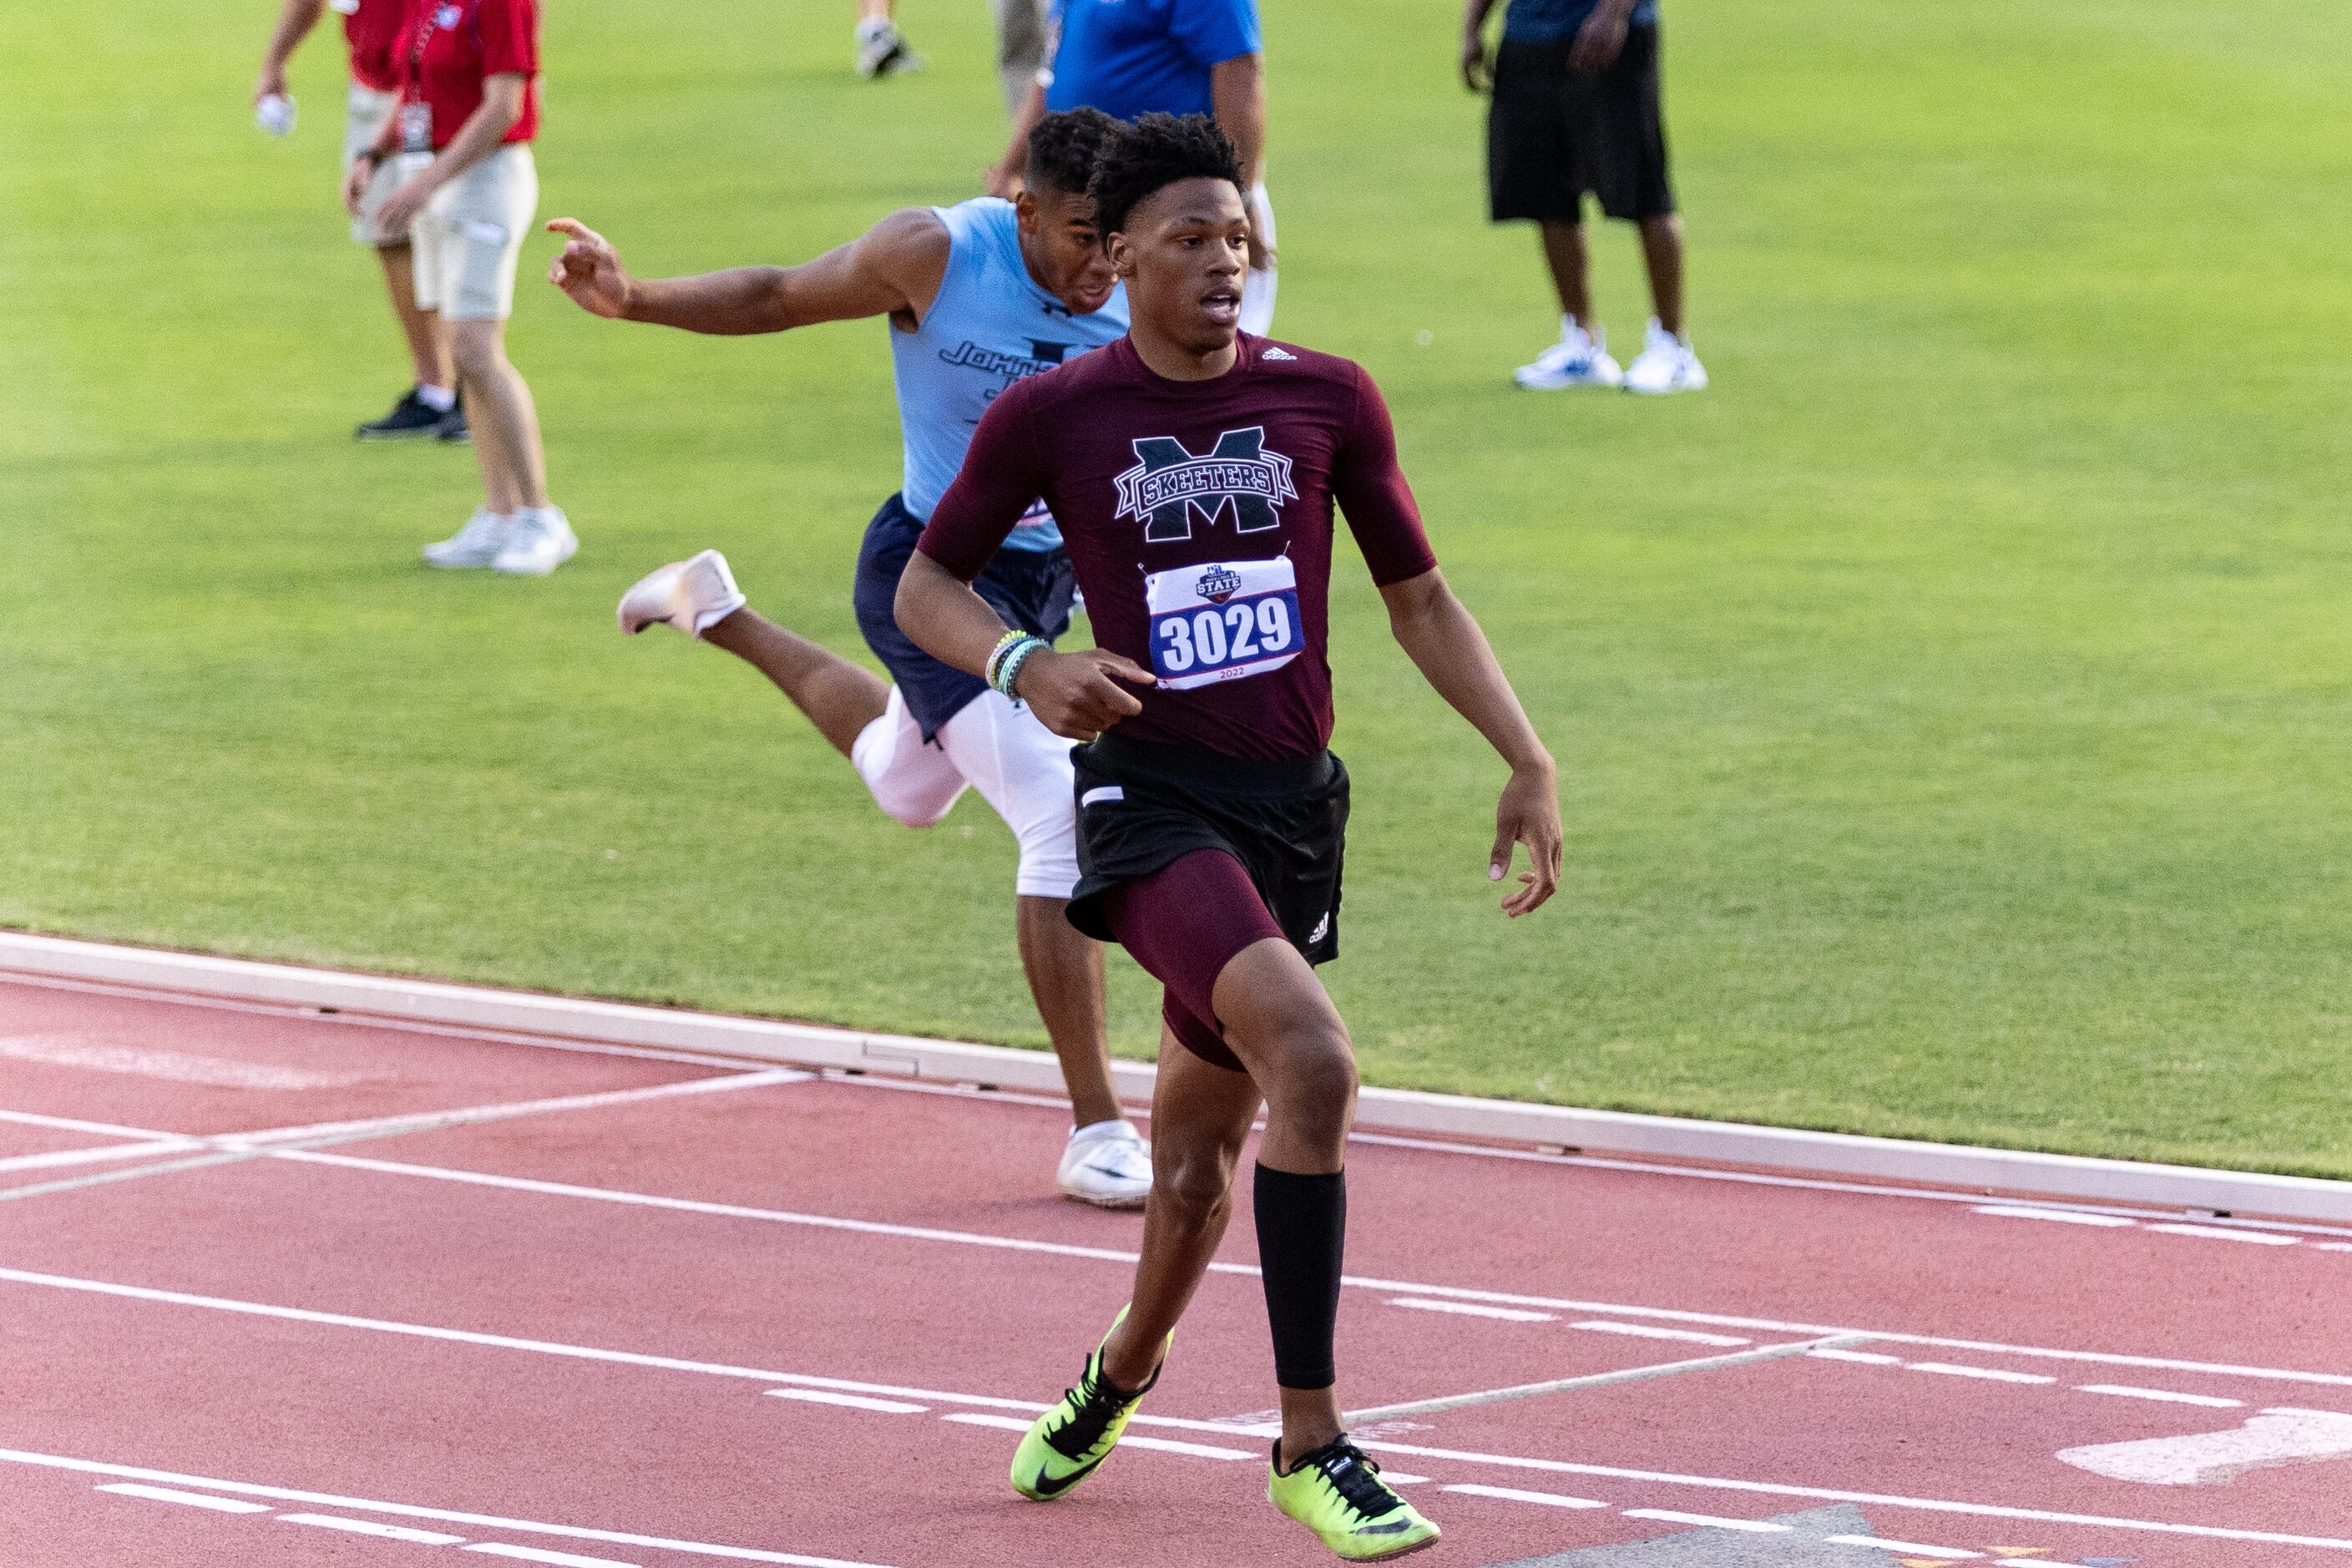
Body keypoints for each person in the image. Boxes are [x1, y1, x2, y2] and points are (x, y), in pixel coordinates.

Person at [898, 114, 1561, 1560]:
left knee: (1199, 1163)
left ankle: (1121, 1366)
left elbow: (1423, 601)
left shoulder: (1325, 397)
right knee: (1313, 1059)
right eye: (1190, 235)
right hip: (1149, 809)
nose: (1223, 257)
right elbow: (929, 588)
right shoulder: (1056, 416)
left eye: (1238, 234)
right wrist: (1024, 667)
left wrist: (1522, 753)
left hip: (1290, 813)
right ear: (1115, 253)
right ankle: (1313, 1440)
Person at [545, 110, 1155, 1208]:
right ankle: (1097, 1125)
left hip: (1053, 579)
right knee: (1059, 810)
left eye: (1115, 242)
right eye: (1076, 238)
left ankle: (712, 605)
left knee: (906, 783)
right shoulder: (937, 252)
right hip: (930, 576)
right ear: (1022, 209)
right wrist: (633, 299)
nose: (1098, 268)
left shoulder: (1140, 277)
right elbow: (780, 293)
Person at [347, 0, 574, 574]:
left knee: (476, 347)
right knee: (462, 351)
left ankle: (541, 516)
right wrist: (375, 153)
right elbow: (414, 89)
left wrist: (424, 183)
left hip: (483, 179)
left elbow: (503, 108)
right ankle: (499, 513)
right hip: (435, 175)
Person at [988, 0, 1277, 336]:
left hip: (1179, 200)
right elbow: (1051, 75)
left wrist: (1239, 194)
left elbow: (1239, 69)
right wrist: (1010, 171)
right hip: (1090, 206)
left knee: (1205, 351)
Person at [1462, 0, 1707, 393]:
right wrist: (1472, 27)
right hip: (1527, 38)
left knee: (1644, 190)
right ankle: (1583, 343)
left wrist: (1613, 13)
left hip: (1611, 37)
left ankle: (1673, 347)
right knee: (1547, 195)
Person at [253, 0, 468, 441]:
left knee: (439, 234)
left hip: (429, 87)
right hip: (378, 85)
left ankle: (466, 390)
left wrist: (275, 62)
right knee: (390, 232)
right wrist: (276, 61)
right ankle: (438, 390)